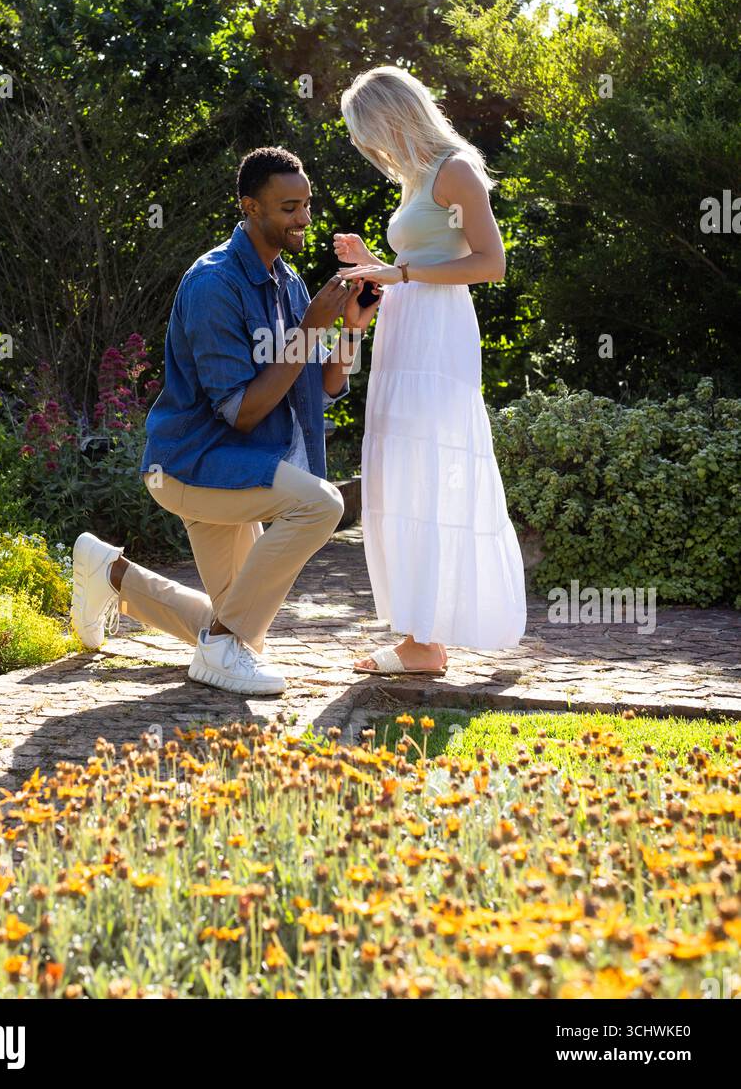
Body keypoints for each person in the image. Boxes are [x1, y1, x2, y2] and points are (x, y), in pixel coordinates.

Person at [69, 146, 381, 695]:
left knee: (238, 635)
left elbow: (325, 385)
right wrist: (310, 328)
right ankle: (217, 646)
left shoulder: (288, 283)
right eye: (288, 208)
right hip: (192, 465)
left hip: (241, 467)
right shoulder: (214, 283)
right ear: (250, 208)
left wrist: (351, 326)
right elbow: (242, 412)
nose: (303, 219)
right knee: (322, 503)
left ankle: (111, 575)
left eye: (306, 205)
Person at [333, 66, 527, 675]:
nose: (370, 146)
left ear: (395, 113)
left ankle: (427, 640)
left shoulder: (456, 170)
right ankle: (420, 634)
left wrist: (403, 275)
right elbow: (416, 260)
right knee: (399, 470)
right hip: (405, 328)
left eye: (370, 130)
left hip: (438, 333)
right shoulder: (415, 178)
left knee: (432, 464)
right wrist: (375, 264)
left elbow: (490, 263)